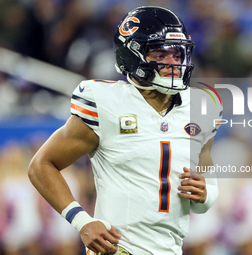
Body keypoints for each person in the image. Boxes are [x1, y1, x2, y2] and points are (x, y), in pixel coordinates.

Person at [28, 6, 222, 255]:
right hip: (118, 250)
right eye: (160, 54)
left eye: (177, 54)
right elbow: (41, 165)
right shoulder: (105, 101)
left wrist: (206, 194)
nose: (173, 63)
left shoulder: (203, 107)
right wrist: (81, 221)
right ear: (131, 55)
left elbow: (205, 187)